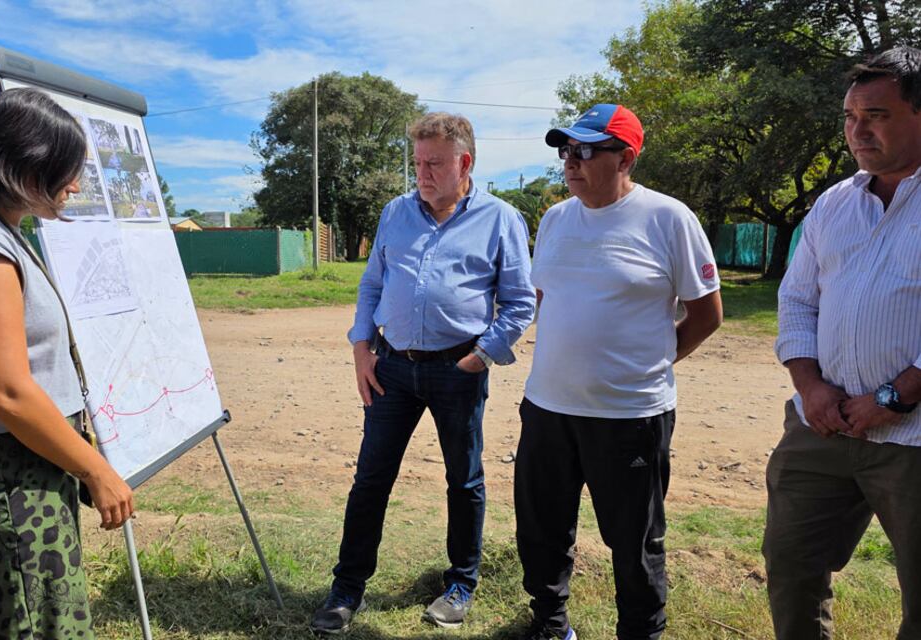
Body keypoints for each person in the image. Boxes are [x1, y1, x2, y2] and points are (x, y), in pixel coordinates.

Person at [310, 112, 535, 634]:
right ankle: (347, 589)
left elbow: (521, 302)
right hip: (390, 367)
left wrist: (482, 355)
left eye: (434, 163)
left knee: (465, 479)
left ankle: (460, 583)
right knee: (371, 479)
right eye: (417, 162)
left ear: (465, 163)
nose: (423, 174)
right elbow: (372, 285)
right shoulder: (396, 212)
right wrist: (361, 349)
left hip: (458, 369)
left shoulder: (501, 218)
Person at [515, 104, 723, 640]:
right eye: (566, 150)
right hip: (548, 409)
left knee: (634, 542)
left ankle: (639, 631)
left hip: (629, 416)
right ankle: (549, 623)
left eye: (586, 150)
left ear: (626, 157)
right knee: (541, 533)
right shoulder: (557, 219)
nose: (571, 162)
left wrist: (649, 363)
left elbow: (706, 314)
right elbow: (546, 298)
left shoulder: (668, 218)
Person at [0, 88, 134, 638]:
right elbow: (9, 392)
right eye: (65, 171)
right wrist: (96, 470)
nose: (74, 185)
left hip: (19, 466)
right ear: (23, 165)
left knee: (4, 615)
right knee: (38, 622)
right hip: (7, 476)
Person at [764, 46, 921, 639]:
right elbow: (797, 300)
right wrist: (810, 388)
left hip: (912, 435)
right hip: (822, 430)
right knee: (792, 565)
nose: (858, 131)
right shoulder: (835, 201)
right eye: (850, 117)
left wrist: (897, 396)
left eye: (876, 115)